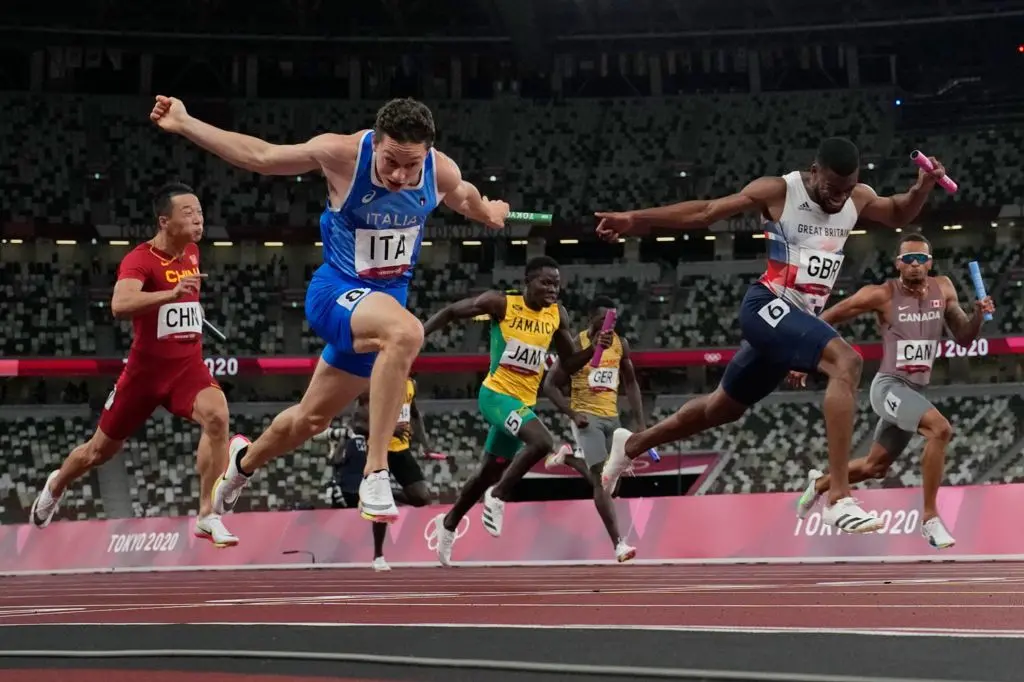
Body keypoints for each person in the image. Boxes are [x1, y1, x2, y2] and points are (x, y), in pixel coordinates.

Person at [150, 96, 509, 529]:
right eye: (390, 161)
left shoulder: (440, 171)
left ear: (427, 155)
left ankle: (240, 466)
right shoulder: (341, 155)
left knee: (310, 419)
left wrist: (488, 211)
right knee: (408, 333)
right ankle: (376, 474)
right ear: (375, 143)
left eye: (409, 167)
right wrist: (187, 122)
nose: (399, 176)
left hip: (380, 312)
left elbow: (465, 196)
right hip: (336, 293)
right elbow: (262, 157)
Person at [593, 137, 949, 533]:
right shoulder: (779, 191)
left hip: (794, 323)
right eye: (832, 189)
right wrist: (634, 220)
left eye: (847, 190)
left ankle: (631, 444)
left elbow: (900, 211)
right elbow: (707, 212)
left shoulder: (857, 197)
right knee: (846, 361)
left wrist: (922, 187)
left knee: (721, 409)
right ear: (815, 173)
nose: (838, 198)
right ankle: (838, 497)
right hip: (766, 305)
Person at [29, 183, 236, 546]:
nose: (198, 218)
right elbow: (120, 305)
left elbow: (183, 303)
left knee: (217, 417)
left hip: (188, 368)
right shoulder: (139, 260)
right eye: (188, 213)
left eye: (200, 210)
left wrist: (188, 307)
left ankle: (207, 514)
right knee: (98, 452)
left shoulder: (192, 252)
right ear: (164, 221)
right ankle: (57, 482)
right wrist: (170, 295)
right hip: (143, 376)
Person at [793, 233, 995, 547]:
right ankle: (930, 519)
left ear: (930, 262)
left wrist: (979, 315)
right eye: (908, 260)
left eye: (921, 259)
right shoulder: (881, 294)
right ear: (898, 263)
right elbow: (830, 316)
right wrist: (802, 355)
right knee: (940, 430)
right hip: (889, 386)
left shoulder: (944, 288)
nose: (915, 265)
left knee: (876, 467)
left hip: (915, 391)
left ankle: (820, 484)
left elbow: (965, 338)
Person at [421, 256, 612, 565]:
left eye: (557, 284)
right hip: (496, 394)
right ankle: (498, 496)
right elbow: (451, 312)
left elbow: (570, 362)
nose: (553, 289)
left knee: (487, 472)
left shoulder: (556, 315)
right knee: (543, 442)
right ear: (528, 281)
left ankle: (449, 523)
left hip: (521, 403)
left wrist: (595, 349)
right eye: (546, 283)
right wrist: (420, 333)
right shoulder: (501, 304)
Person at [542, 296, 645, 562]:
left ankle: (570, 458)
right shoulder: (576, 344)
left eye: (613, 321)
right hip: (587, 417)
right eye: (603, 321)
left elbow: (631, 383)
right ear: (591, 320)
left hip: (613, 418)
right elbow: (550, 385)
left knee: (614, 487)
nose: (608, 327)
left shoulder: (621, 345)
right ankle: (619, 544)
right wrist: (572, 414)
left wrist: (641, 422)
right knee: (601, 480)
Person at [350, 384, 434, 571]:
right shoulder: (372, 385)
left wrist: (424, 443)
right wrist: (388, 428)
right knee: (382, 507)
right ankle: (378, 556)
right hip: (379, 450)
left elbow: (414, 415)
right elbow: (356, 425)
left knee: (422, 498)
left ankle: (373, 496)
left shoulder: (411, 385)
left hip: (402, 450)